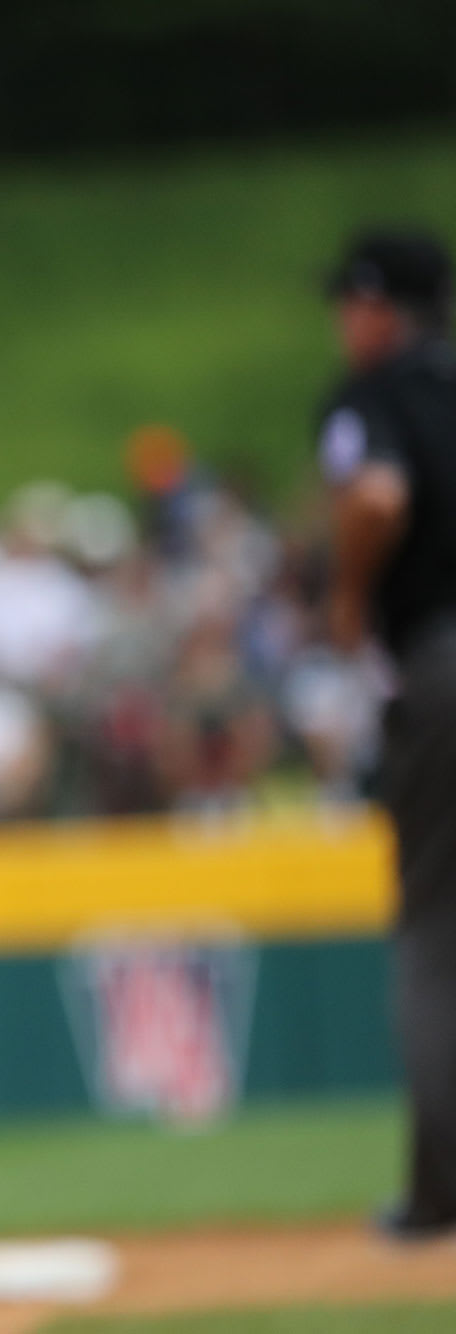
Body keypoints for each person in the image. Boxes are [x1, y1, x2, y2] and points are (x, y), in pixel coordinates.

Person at [315, 226, 456, 1240]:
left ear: (373, 308)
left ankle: (441, 1191)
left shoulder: (375, 395)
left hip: (443, 661)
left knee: (437, 929)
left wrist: (347, 595)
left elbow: (376, 494)